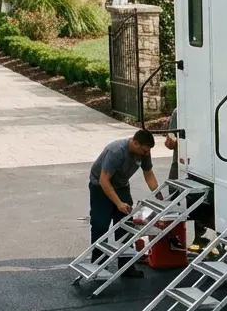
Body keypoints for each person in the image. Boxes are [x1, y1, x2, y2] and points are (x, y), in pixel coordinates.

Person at [88, 130, 157, 275]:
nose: (146, 153)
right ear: (135, 142)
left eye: (148, 151)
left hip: (121, 186)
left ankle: (126, 267)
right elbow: (104, 180)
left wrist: (158, 194)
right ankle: (98, 265)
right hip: (100, 186)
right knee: (100, 225)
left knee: (126, 226)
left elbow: (148, 173)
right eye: (144, 150)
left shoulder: (144, 151)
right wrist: (118, 203)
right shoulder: (117, 151)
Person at [163, 110, 212, 246]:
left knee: (201, 199)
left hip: (202, 161)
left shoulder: (206, 104)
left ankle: (199, 236)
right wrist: (171, 142)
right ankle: (173, 237)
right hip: (181, 161)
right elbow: (170, 141)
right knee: (173, 194)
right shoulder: (178, 112)